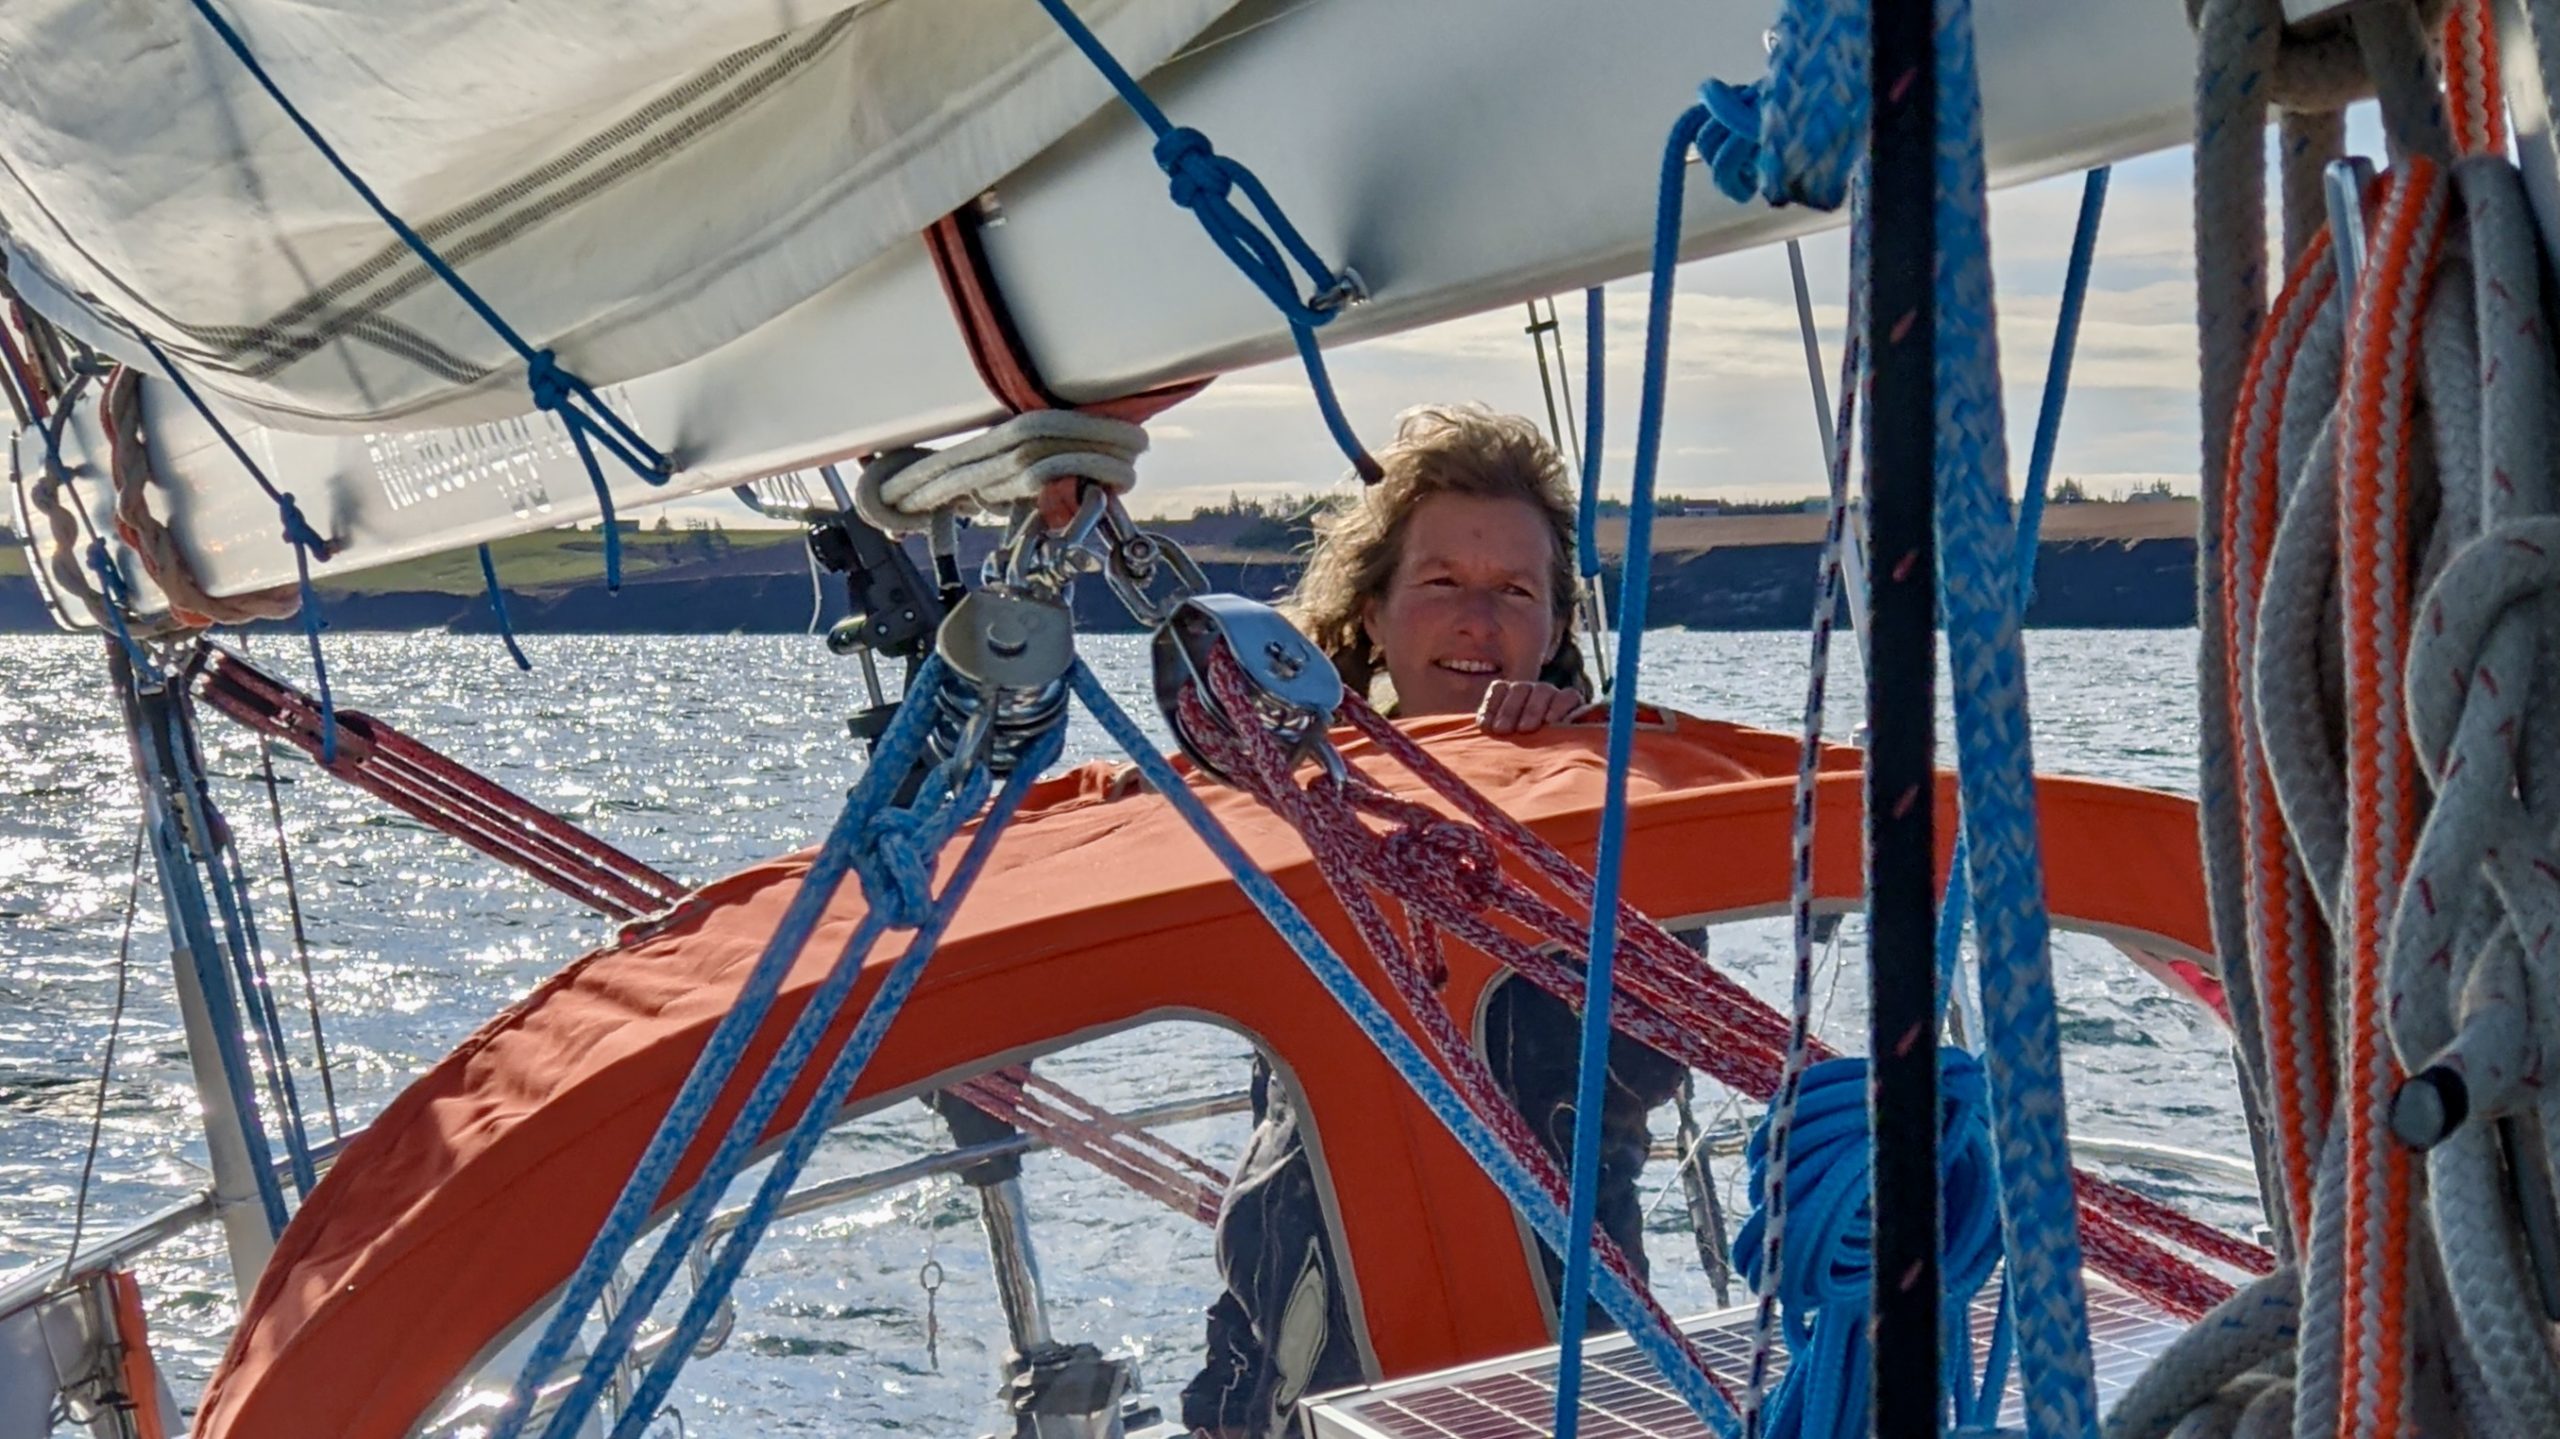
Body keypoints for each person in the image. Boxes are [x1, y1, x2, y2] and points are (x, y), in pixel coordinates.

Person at [1178, 405, 1684, 1438]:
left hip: (1561, 1316)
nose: (1477, 621)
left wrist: (1569, 782)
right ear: (1370, 611)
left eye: (1514, 591)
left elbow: (1657, 1046)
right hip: (1296, 1302)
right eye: (1442, 583)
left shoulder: (1620, 798)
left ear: (1553, 628)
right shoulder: (1276, 798)